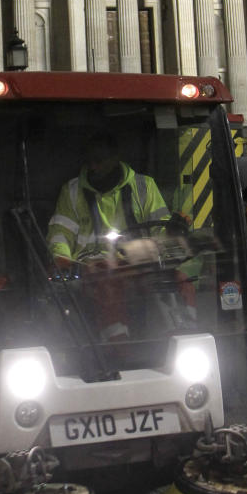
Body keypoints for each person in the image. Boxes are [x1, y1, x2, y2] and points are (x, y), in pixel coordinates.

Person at [47, 132, 176, 340]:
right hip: (92, 268)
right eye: (90, 161)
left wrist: (168, 238)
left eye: (99, 161)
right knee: (108, 288)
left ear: (115, 158)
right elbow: (60, 235)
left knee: (179, 281)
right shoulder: (72, 191)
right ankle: (117, 346)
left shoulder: (144, 186)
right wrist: (66, 264)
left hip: (136, 264)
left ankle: (180, 335)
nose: (93, 167)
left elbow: (160, 230)